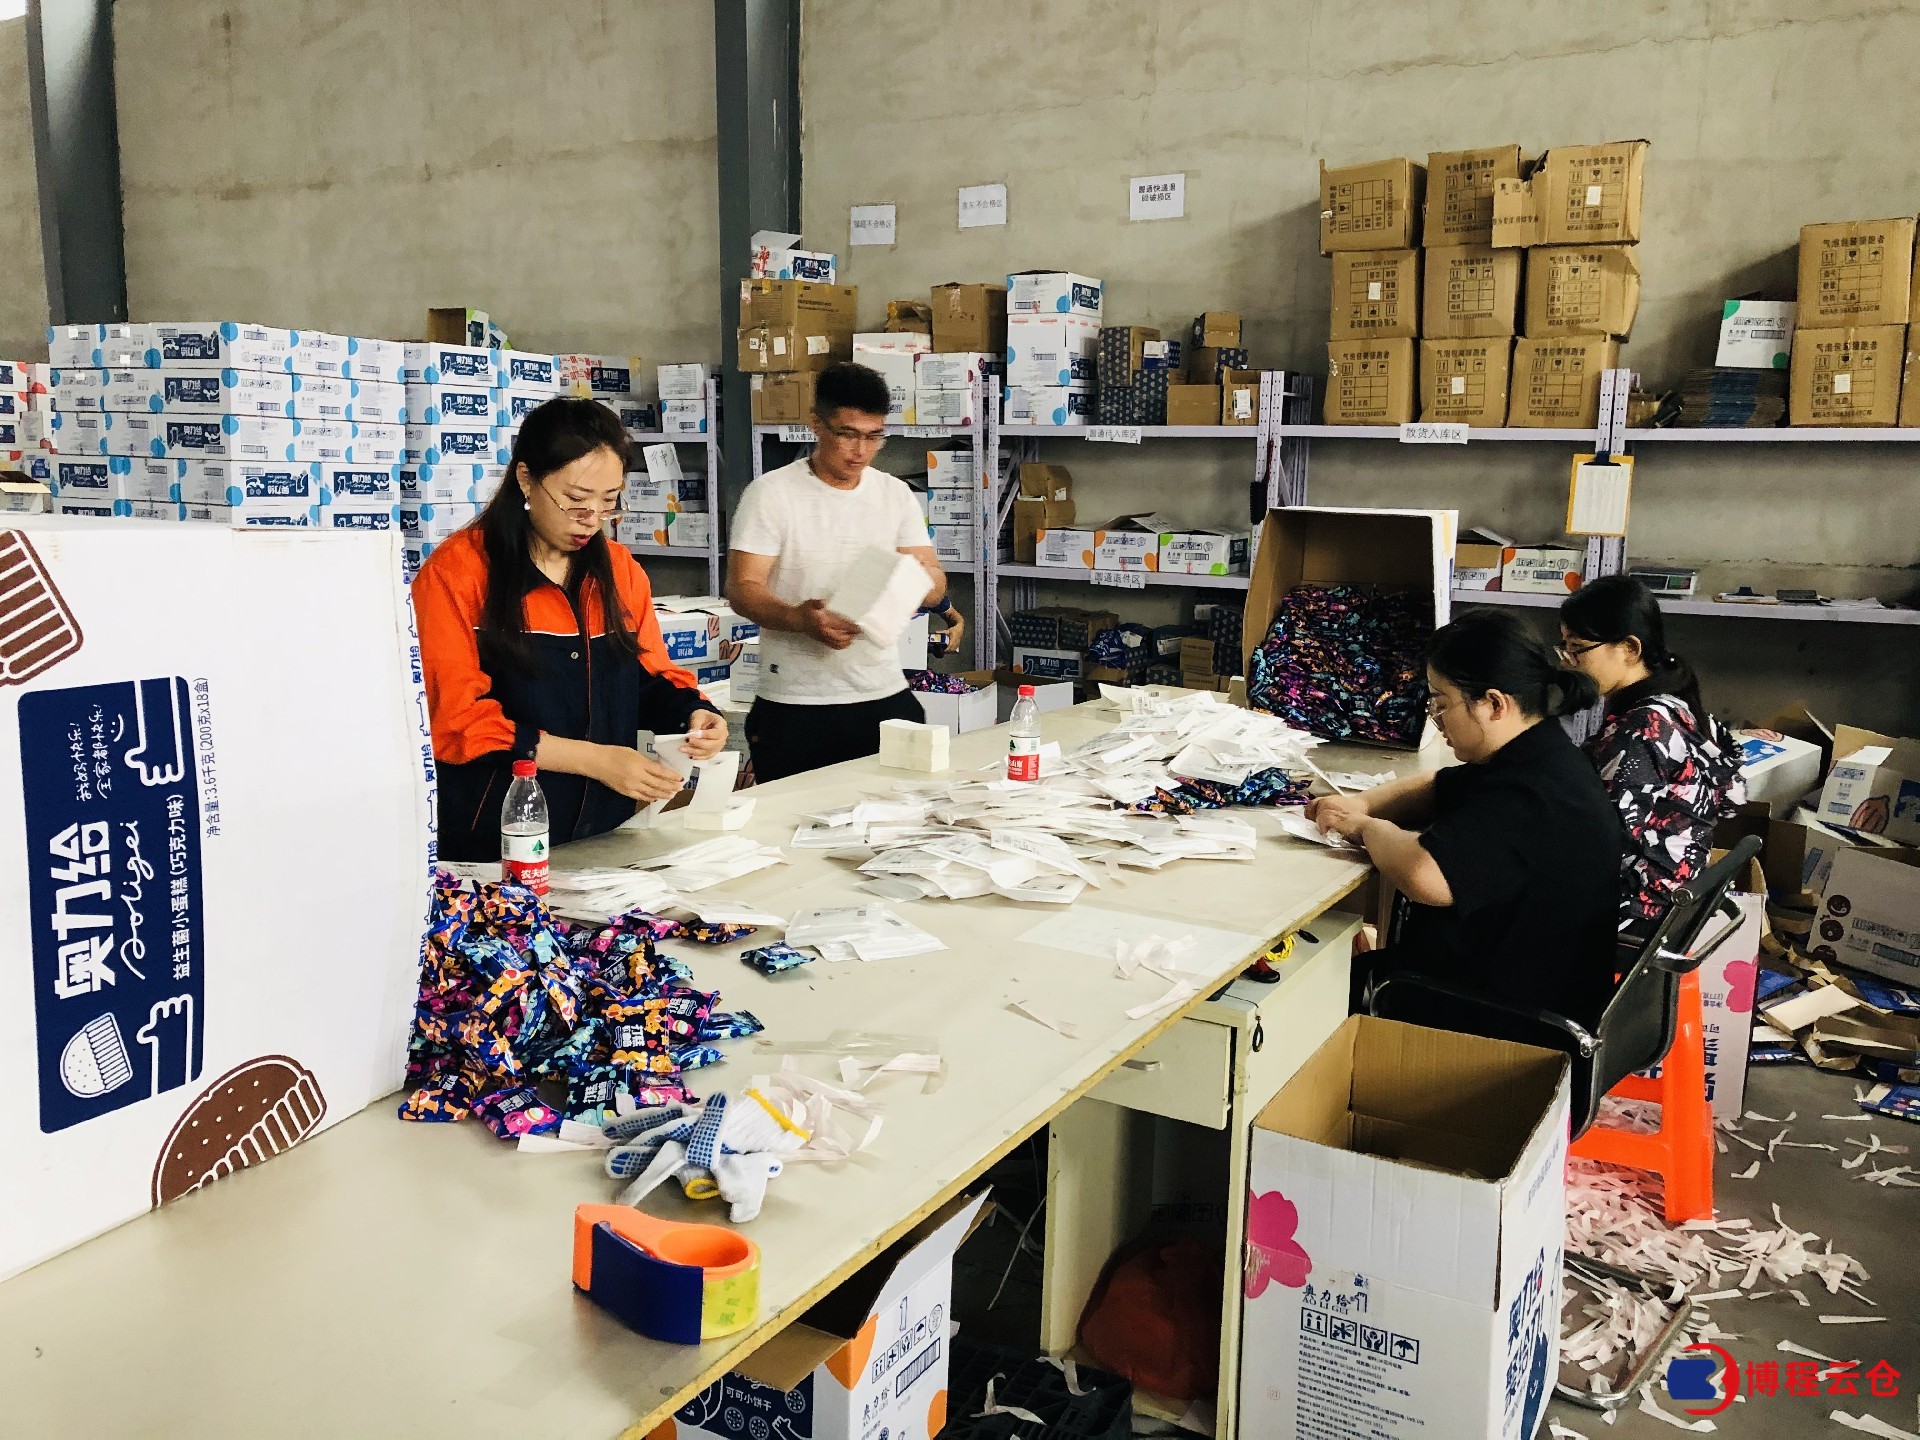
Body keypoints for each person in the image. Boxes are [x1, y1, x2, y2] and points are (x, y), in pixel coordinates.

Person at [413, 398, 727, 860]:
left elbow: (648, 677)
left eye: (609, 501)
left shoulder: (619, 571)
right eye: (576, 500)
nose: (592, 519)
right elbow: (455, 719)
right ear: (526, 479)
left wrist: (695, 714)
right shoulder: (458, 572)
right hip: (496, 841)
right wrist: (595, 760)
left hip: (603, 832)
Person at [1305, 609, 1623, 1027]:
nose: (1436, 720)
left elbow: (1425, 874)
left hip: (1503, 1018)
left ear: (1493, 704)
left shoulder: (1534, 794)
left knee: (1299, 987)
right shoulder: (1535, 754)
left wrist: (1365, 828)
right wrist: (1361, 803)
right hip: (1494, 977)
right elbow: (1437, 787)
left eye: (1441, 704)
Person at [727, 361, 947, 783]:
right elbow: (742, 588)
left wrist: (921, 583)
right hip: (796, 702)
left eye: (873, 436)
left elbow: (936, 582)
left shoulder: (895, 495)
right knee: (792, 817)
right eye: (848, 434)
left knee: (902, 813)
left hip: (883, 693)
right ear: (816, 425)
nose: (860, 450)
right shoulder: (771, 494)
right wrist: (799, 619)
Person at [1559, 574, 1746, 935]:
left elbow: (1600, 839)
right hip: (1672, 902)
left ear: (1630, 649)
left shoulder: (1643, 728)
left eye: (1578, 648)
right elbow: (1732, 798)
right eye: (1565, 647)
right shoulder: (1677, 704)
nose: (1569, 662)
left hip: (1634, 913)